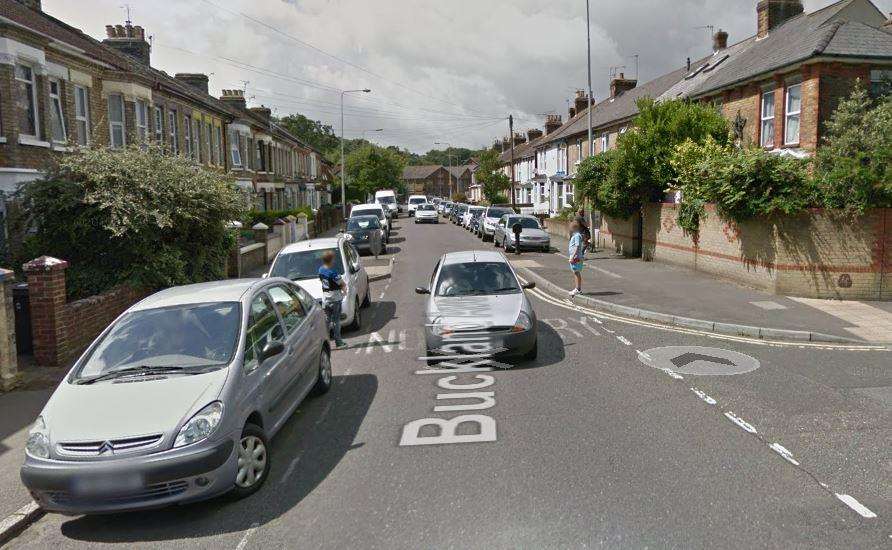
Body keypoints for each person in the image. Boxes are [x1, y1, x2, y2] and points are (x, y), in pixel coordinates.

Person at [318, 250, 347, 349]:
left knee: (326, 321)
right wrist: (345, 290)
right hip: (335, 299)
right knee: (336, 321)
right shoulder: (333, 273)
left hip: (325, 299)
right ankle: (338, 342)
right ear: (332, 260)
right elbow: (342, 284)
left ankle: (325, 343)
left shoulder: (321, 270)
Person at [568, 221, 585, 297]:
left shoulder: (577, 236)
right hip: (576, 257)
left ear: (574, 228)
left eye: (571, 228)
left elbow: (577, 246)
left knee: (576, 272)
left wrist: (573, 256)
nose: (570, 230)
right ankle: (578, 289)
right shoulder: (576, 235)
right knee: (576, 272)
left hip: (576, 257)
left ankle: (577, 289)